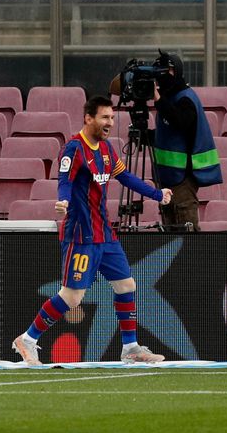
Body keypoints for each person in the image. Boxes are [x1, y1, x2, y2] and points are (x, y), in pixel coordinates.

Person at [12, 95, 173, 366]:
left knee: (126, 285)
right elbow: (64, 181)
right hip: (81, 235)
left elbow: (126, 178)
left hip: (105, 235)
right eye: (104, 118)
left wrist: (156, 194)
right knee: (72, 298)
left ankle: (130, 348)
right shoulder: (74, 149)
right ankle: (27, 339)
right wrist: (62, 201)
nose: (109, 122)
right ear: (89, 118)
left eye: (111, 117)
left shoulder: (108, 149)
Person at [151, 51, 221, 229]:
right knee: (170, 235)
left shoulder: (186, 98)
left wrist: (158, 99)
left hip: (183, 178)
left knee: (187, 235)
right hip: (167, 177)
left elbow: (181, 122)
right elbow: (170, 135)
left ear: (173, 72)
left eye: (163, 72)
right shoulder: (169, 98)